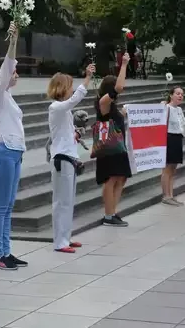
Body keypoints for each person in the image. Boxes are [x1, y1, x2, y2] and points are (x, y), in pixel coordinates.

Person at [0, 23, 27, 271]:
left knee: (8, 204)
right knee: (0, 205)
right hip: (1, 150)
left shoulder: (7, 97)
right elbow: (6, 69)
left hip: (13, 151)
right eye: (14, 71)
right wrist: (13, 40)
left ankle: (6, 251)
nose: (16, 74)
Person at [48, 64, 95, 253]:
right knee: (62, 201)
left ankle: (65, 238)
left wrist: (73, 135)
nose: (72, 90)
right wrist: (87, 78)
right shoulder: (56, 107)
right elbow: (75, 100)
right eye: (70, 86)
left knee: (68, 200)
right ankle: (60, 241)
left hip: (69, 156)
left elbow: (63, 132)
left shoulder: (63, 110)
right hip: (62, 158)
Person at [95, 52, 132, 227]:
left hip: (118, 145)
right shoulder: (103, 102)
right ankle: (108, 215)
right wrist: (123, 65)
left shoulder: (112, 106)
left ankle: (114, 211)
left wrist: (122, 114)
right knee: (111, 178)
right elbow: (118, 88)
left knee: (121, 177)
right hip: (109, 145)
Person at [161, 86, 185, 206]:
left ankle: (171, 194)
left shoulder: (179, 110)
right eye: (177, 93)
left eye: (181, 94)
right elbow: (162, 124)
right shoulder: (167, 108)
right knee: (167, 168)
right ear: (171, 95)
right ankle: (166, 195)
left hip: (177, 138)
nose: (180, 96)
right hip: (169, 138)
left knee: (173, 169)